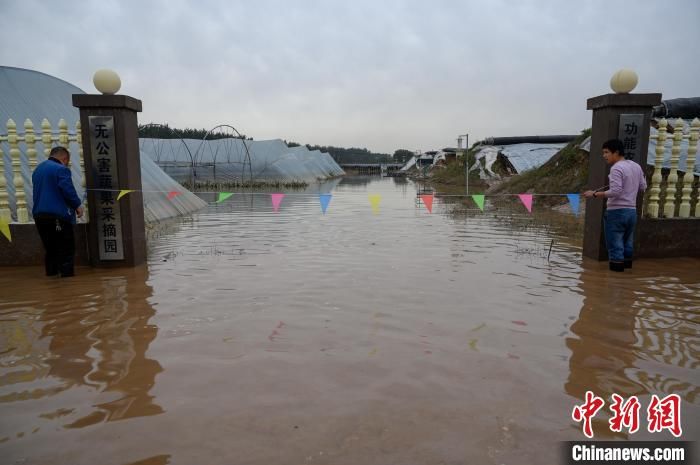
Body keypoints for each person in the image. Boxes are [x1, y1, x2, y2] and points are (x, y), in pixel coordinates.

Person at [584, 139, 647, 272]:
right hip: (631, 212)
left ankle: (615, 281)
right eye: (603, 152)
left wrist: (594, 194)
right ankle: (627, 274)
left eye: (606, 152)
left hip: (616, 213)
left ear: (616, 152)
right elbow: (643, 187)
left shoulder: (616, 168)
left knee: (615, 246)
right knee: (627, 243)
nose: (604, 155)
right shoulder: (636, 166)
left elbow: (616, 192)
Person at [32, 146, 84, 277]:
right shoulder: (61, 169)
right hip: (57, 216)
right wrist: (77, 205)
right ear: (64, 158)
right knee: (66, 249)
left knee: (50, 249)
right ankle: (67, 282)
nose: (67, 164)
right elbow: (67, 190)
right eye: (67, 161)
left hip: (39, 216)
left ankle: (52, 277)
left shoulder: (38, 169)